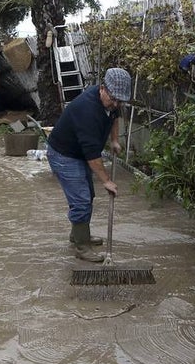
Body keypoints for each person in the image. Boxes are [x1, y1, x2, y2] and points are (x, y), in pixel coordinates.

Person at [46, 67, 132, 262]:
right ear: (102, 88)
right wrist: (107, 181)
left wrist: (114, 140)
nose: (116, 103)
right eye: (113, 99)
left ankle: (78, 234)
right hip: (63, 154)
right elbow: (93, 156)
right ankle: (82, 247)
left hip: (78, 153)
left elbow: (114, 116)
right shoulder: (87, 110)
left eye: (120, 100)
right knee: (81, 200)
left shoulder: (111, 100)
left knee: (86, 196)